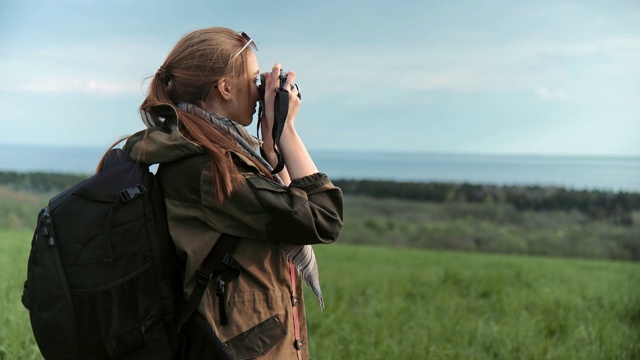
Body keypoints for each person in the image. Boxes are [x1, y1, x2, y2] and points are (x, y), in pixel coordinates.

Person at [123, 27, 344, 359]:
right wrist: (288, 132)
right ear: (225, 88)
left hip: (248, 340)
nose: (259, 91)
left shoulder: (222, 152)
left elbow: (286, 206)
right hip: (239, 348)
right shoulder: (207, 168)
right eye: (253, 79)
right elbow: (322, 218)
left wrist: (271, 146)